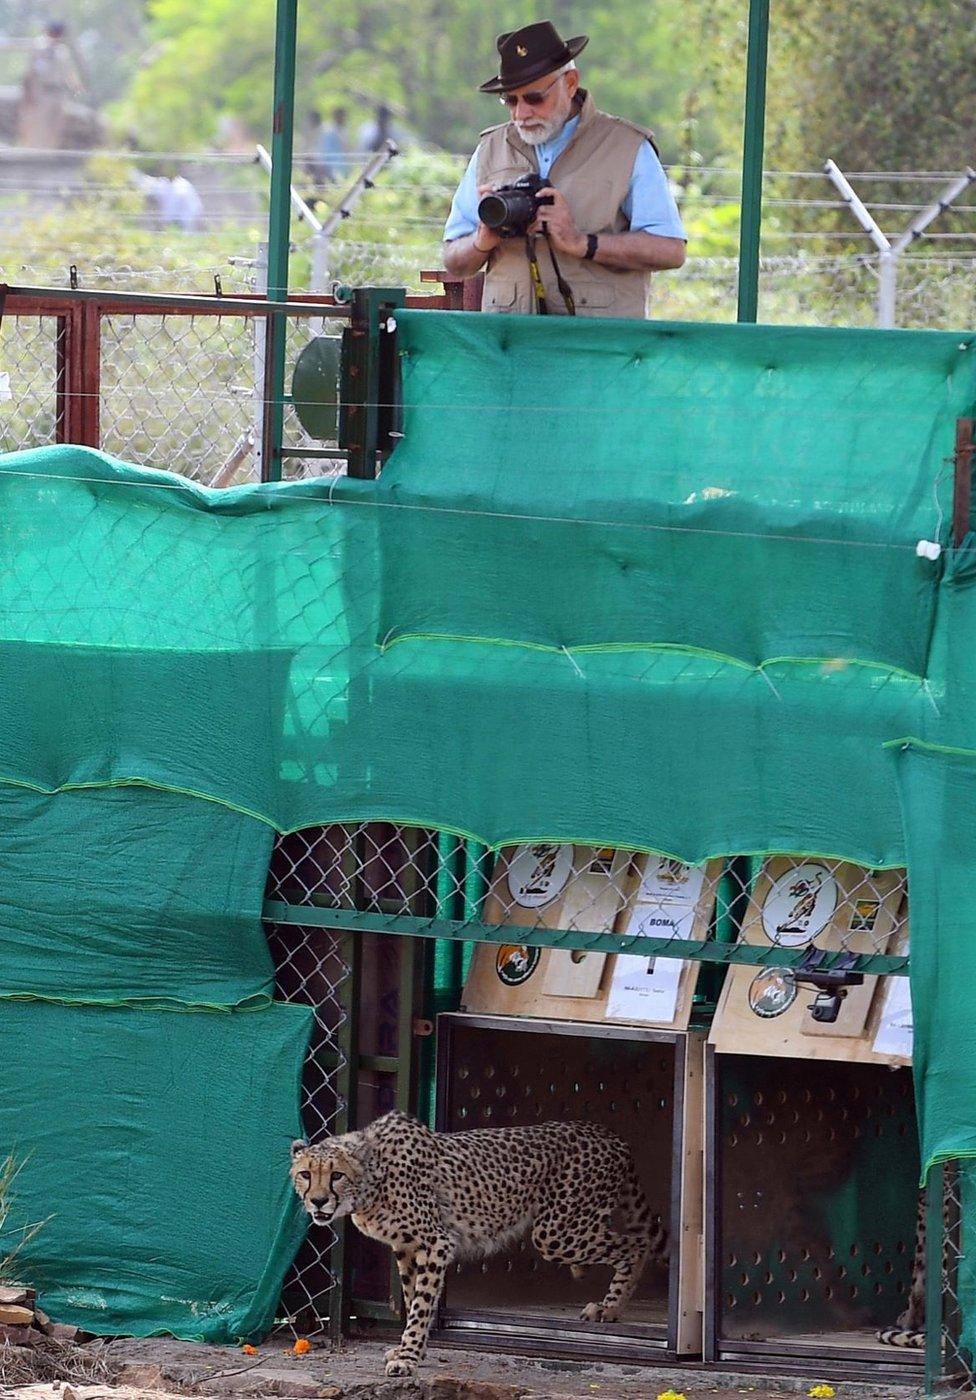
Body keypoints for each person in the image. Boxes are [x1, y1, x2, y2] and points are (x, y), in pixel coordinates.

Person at [442, 20, 686, 318]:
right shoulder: (490, 148)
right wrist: (482, 241)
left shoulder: (627, 145)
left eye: (534, 97)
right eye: (510, 100)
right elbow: (454, 260)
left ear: (570, 83)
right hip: (511, 348)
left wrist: (581, 242)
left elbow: (671, 251)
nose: (521, 113)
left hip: (599, 348)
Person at [17, 20, 86, 149]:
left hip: (58, 92)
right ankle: (35, 154)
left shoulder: (61, 50)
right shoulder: (39, 46)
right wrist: (28, 94)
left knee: (56, 126)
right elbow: (29, 73)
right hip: (42, 92)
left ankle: (49, 155)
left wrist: (76, 85)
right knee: (39, 126)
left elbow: (68, 71)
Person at [314, 106, 349, 182]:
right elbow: (325, 151)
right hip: (330, 168)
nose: (344, 119)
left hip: (341, 167)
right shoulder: (329, 130)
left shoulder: (343, 130)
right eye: (342, 116)